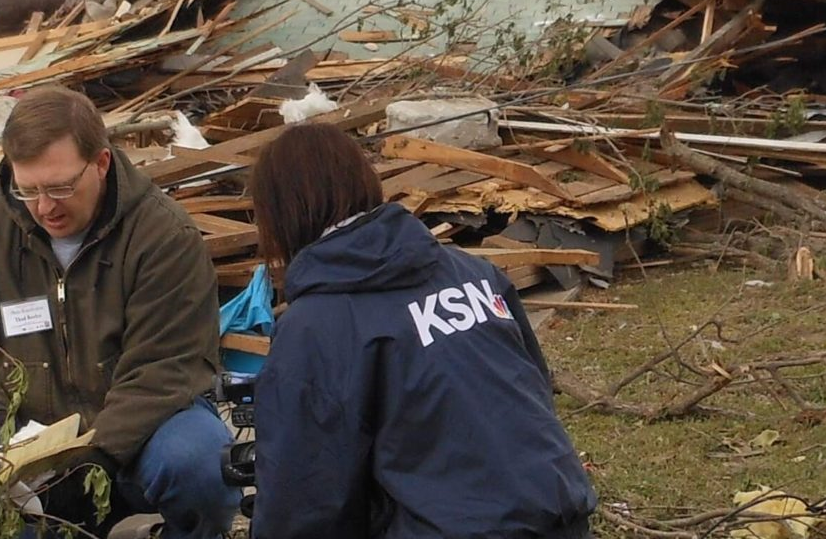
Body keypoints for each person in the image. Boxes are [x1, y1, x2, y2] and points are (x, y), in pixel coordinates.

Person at [247, 123, 597, 539]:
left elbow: (302, 501)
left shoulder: (314, 329)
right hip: (560, 516)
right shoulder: (475, 275)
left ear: (283, 213)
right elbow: (534, 392)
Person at [0, 87, 240, 539]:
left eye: (61, 187)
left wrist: (99, 455)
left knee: (201, 465)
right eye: (28, 189)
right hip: (30, 453)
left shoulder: (162, 235)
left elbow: (167, 367)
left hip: (143, 436)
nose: (45, 207)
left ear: (102, 163)